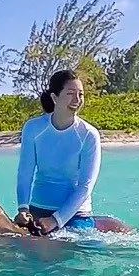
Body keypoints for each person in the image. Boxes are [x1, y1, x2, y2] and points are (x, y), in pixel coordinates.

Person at [13, 69, 103, 235]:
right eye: (70, 93)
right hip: (37, 210)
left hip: (75, 216)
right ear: (54, 97)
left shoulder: (89, 135)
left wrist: (56, 220)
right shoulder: (33, 128)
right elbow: (25, 173)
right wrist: (23, 209)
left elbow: (85, 186)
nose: (77, 100)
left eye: (81, 94)